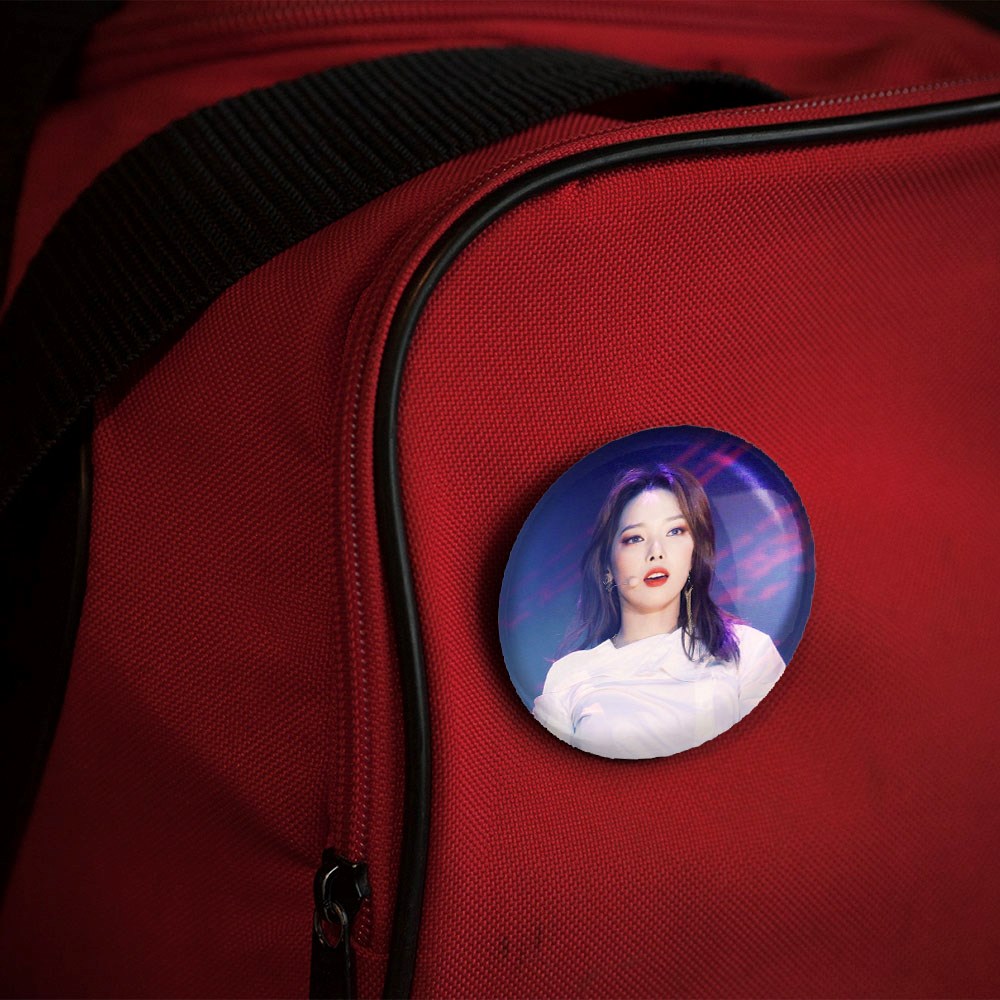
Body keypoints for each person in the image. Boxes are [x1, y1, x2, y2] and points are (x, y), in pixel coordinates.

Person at [532, 463, 785, 759]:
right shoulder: (570, 676)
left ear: (694, 553)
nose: (656, 551)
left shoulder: (748, 651)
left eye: (675, 531)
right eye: (635, 538)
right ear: (608, 567)